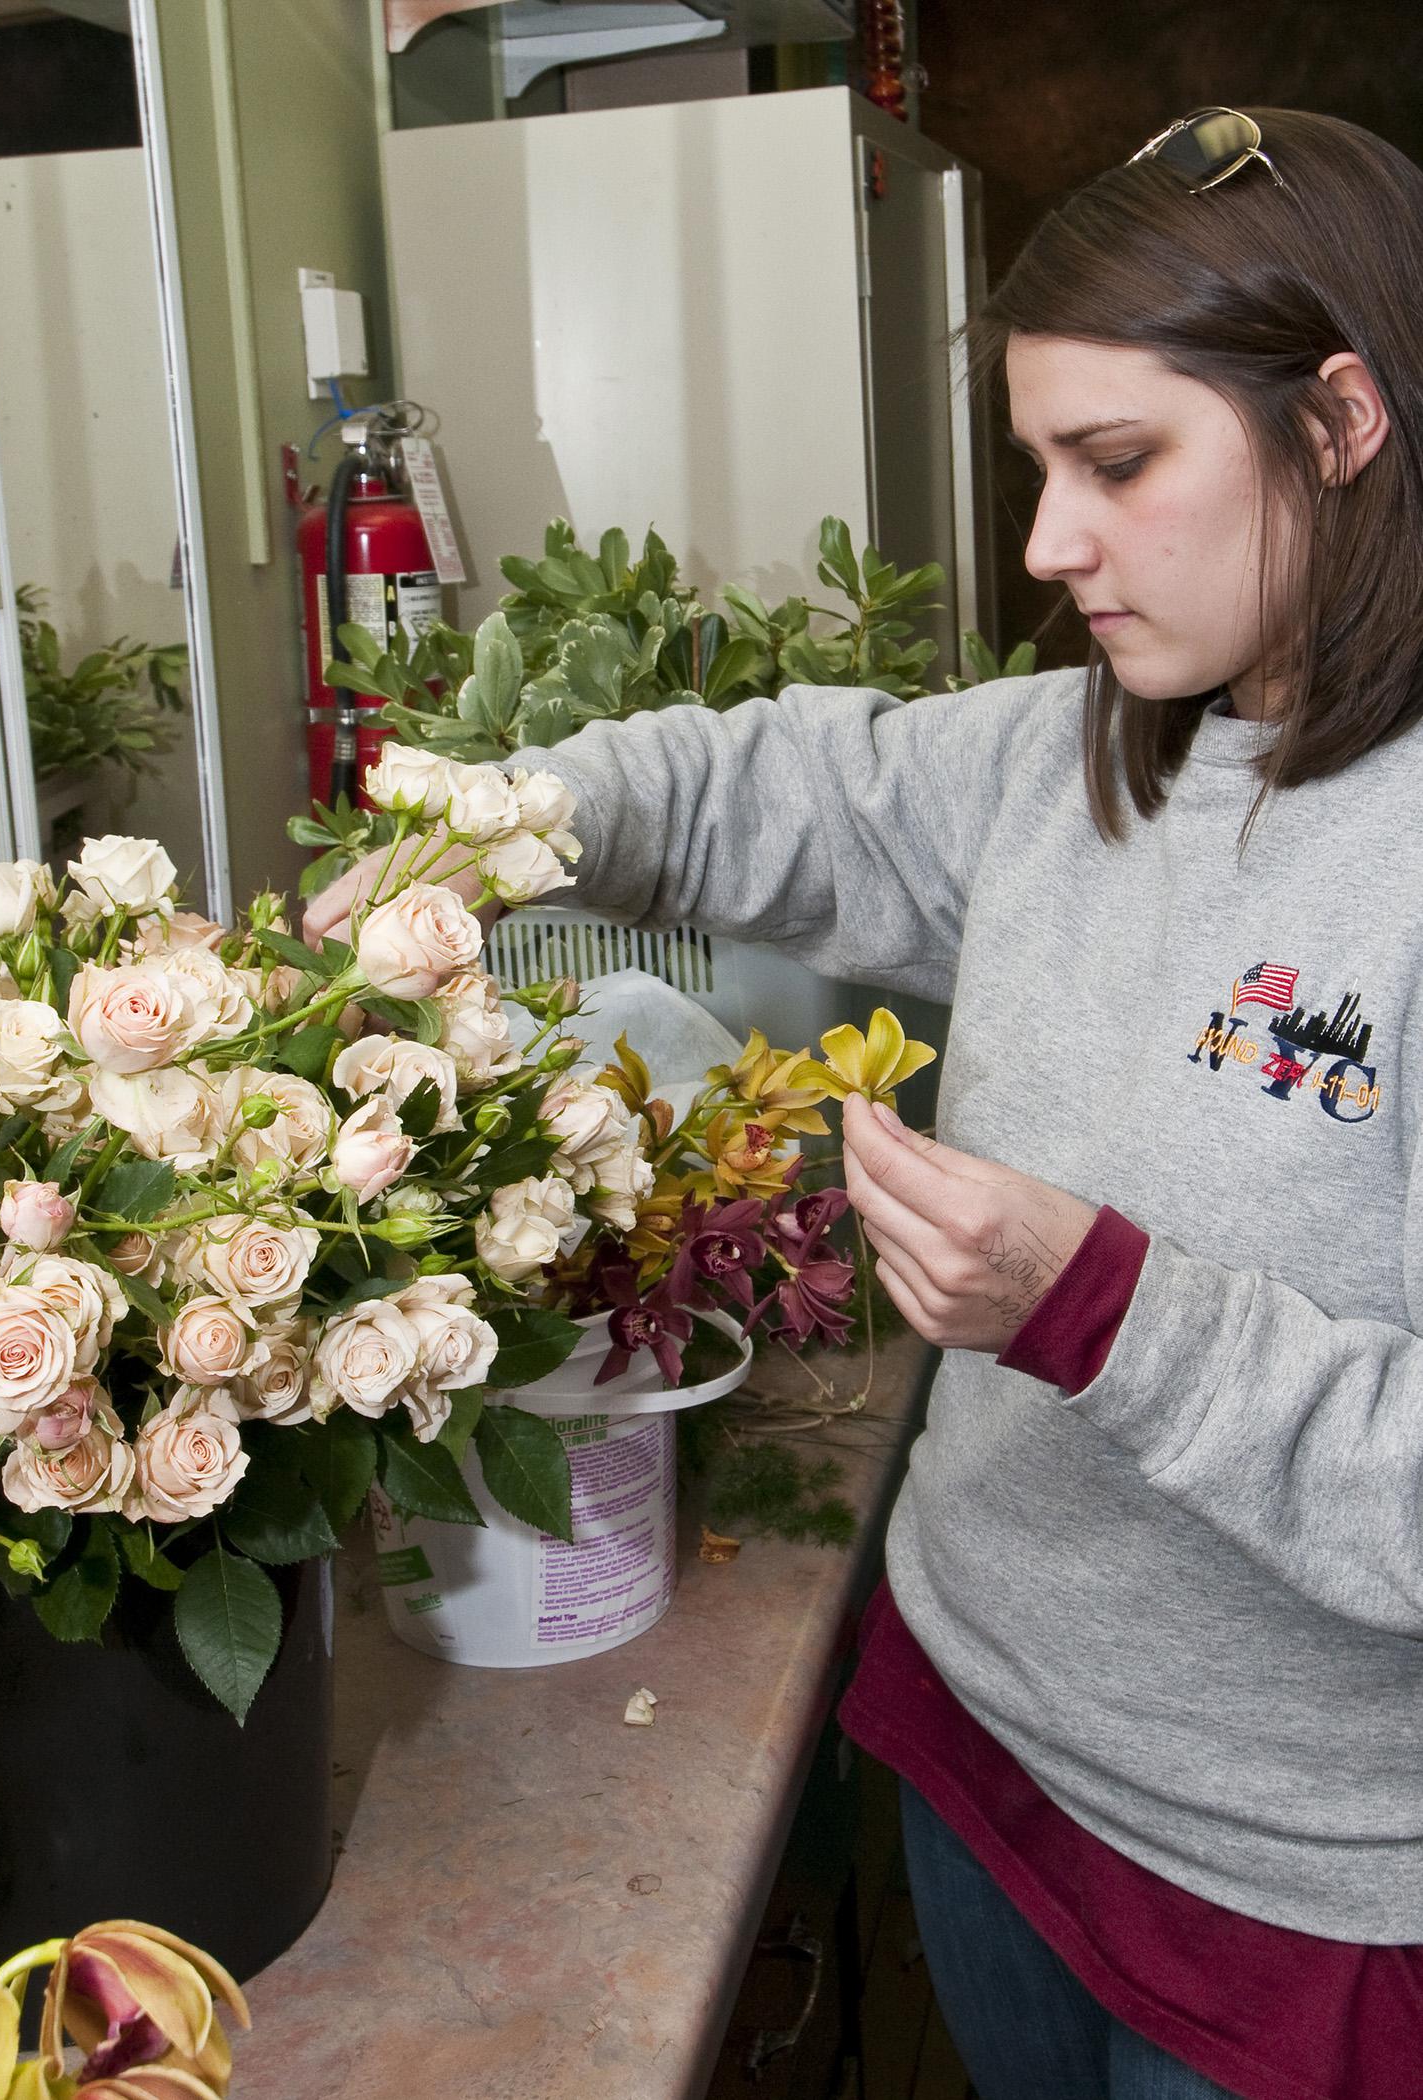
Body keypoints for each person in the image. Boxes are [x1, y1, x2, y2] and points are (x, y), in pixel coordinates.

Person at [306, 107, 1423, 2099]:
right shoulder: (1074, 757)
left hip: (1297, 1905)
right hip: (981, 1758)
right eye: (1038, 466)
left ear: (1338, 423)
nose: (1046, 546)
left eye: (1119, 464)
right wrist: (510, 822)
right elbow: (781, 785)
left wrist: (1106, 1312)